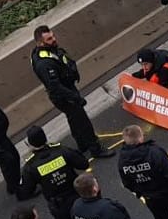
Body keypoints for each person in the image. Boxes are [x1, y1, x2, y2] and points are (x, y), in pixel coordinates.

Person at [18, 126, 106, 219]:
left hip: (59, 205)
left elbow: (25, 191)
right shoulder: (61, 151)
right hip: (78, 196)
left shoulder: (30, 166)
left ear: (30, 145)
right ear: (45, 138)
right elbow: (83, 163)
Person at [30, 26, 115, 159]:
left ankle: (82, 144)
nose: (54, 39)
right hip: (64, 96)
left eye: (53, 36)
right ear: (41, 42)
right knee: (82, 121)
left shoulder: (48, 51)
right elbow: (55, 86)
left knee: (74, 119)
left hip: (67, 89)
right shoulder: (43, 63)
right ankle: (96, 149)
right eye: (49, 38)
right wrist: (75, 97)